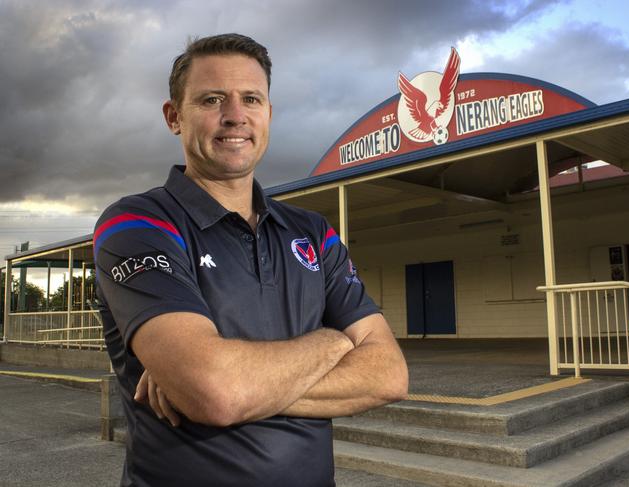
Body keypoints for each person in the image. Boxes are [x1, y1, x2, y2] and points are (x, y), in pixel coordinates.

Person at [94, 33, 408, 487]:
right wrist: (334, 343)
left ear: (269, 114)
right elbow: (216, 392)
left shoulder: (313, 233)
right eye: (211, 99)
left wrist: (230, 383)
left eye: (251, 99)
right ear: (173, 116)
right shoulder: (137, 224)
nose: (235, 116)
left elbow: (390, 375)